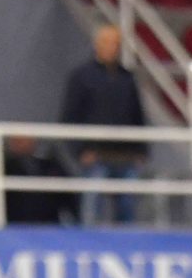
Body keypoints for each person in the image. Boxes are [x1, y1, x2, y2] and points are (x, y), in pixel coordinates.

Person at [60, 24, 147, 226]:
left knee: (127, 207)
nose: (111, 47)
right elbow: (69, 117)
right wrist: (79, 150)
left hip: (126, 155)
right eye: (107, 42)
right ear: (97, 45)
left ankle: (127, 242)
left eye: (115, 43)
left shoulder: (127, 78)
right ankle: (89, 242)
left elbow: (137, 115)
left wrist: (141, 149)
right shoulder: (82, 77)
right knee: (91, 208)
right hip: (95, 155)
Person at [0, 137, 77, 226]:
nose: (21, 144)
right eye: (17, 141)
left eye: (25, 140)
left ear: (33, 141)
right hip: (15, 226)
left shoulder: (49, 165)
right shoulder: (2, 168)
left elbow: (68, 195)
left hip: (48, 225)